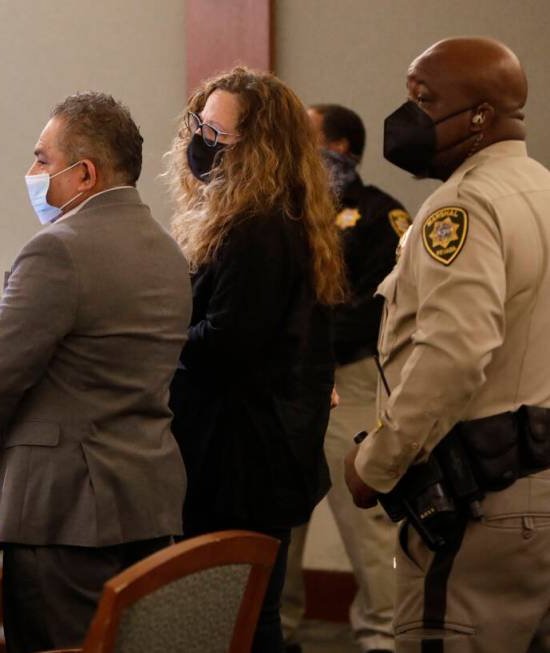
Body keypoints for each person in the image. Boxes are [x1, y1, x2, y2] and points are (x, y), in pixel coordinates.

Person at [0, 91, 191, 653]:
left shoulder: (57, 251)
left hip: (67, 517)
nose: (31, 173)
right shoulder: (169, 254)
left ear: (85, 175)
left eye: (42, 160)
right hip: (149, 503)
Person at [345, 37, 550, 653]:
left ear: (482, 115)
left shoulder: (462, 205)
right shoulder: (540, 188)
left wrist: (377, 464)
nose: (406, 117)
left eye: (423, 99)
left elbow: (452, 355)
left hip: (481, 505)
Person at [166, 67, 346, 653]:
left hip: (241, 460)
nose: (202, 141)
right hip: (252, 451)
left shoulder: (259, 226)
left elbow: (227, 343)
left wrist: (154, 338)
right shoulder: (273, 217)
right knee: (238, 615)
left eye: (219, 134)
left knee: (235, 621)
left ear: (260, 148)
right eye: (200, 124)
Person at [281, 104, 410, 653]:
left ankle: (384, 635)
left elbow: (384, 304)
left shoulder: (382, 214)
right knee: (281, 519)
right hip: (285, 382)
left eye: (305, 137)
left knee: (369, 521)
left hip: (350, 378)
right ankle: (276, 629)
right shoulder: (283, 212)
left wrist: (310, 336)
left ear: (338, 144)